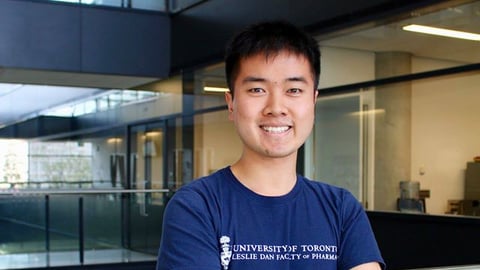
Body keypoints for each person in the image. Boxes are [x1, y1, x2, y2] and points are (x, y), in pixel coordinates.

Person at [156, 21, 385, 270]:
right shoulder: (196, 208)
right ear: (231, 103)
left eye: (294, 90)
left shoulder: (341, 208)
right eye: (257, 89)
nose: (276, 107)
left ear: (313, 101)